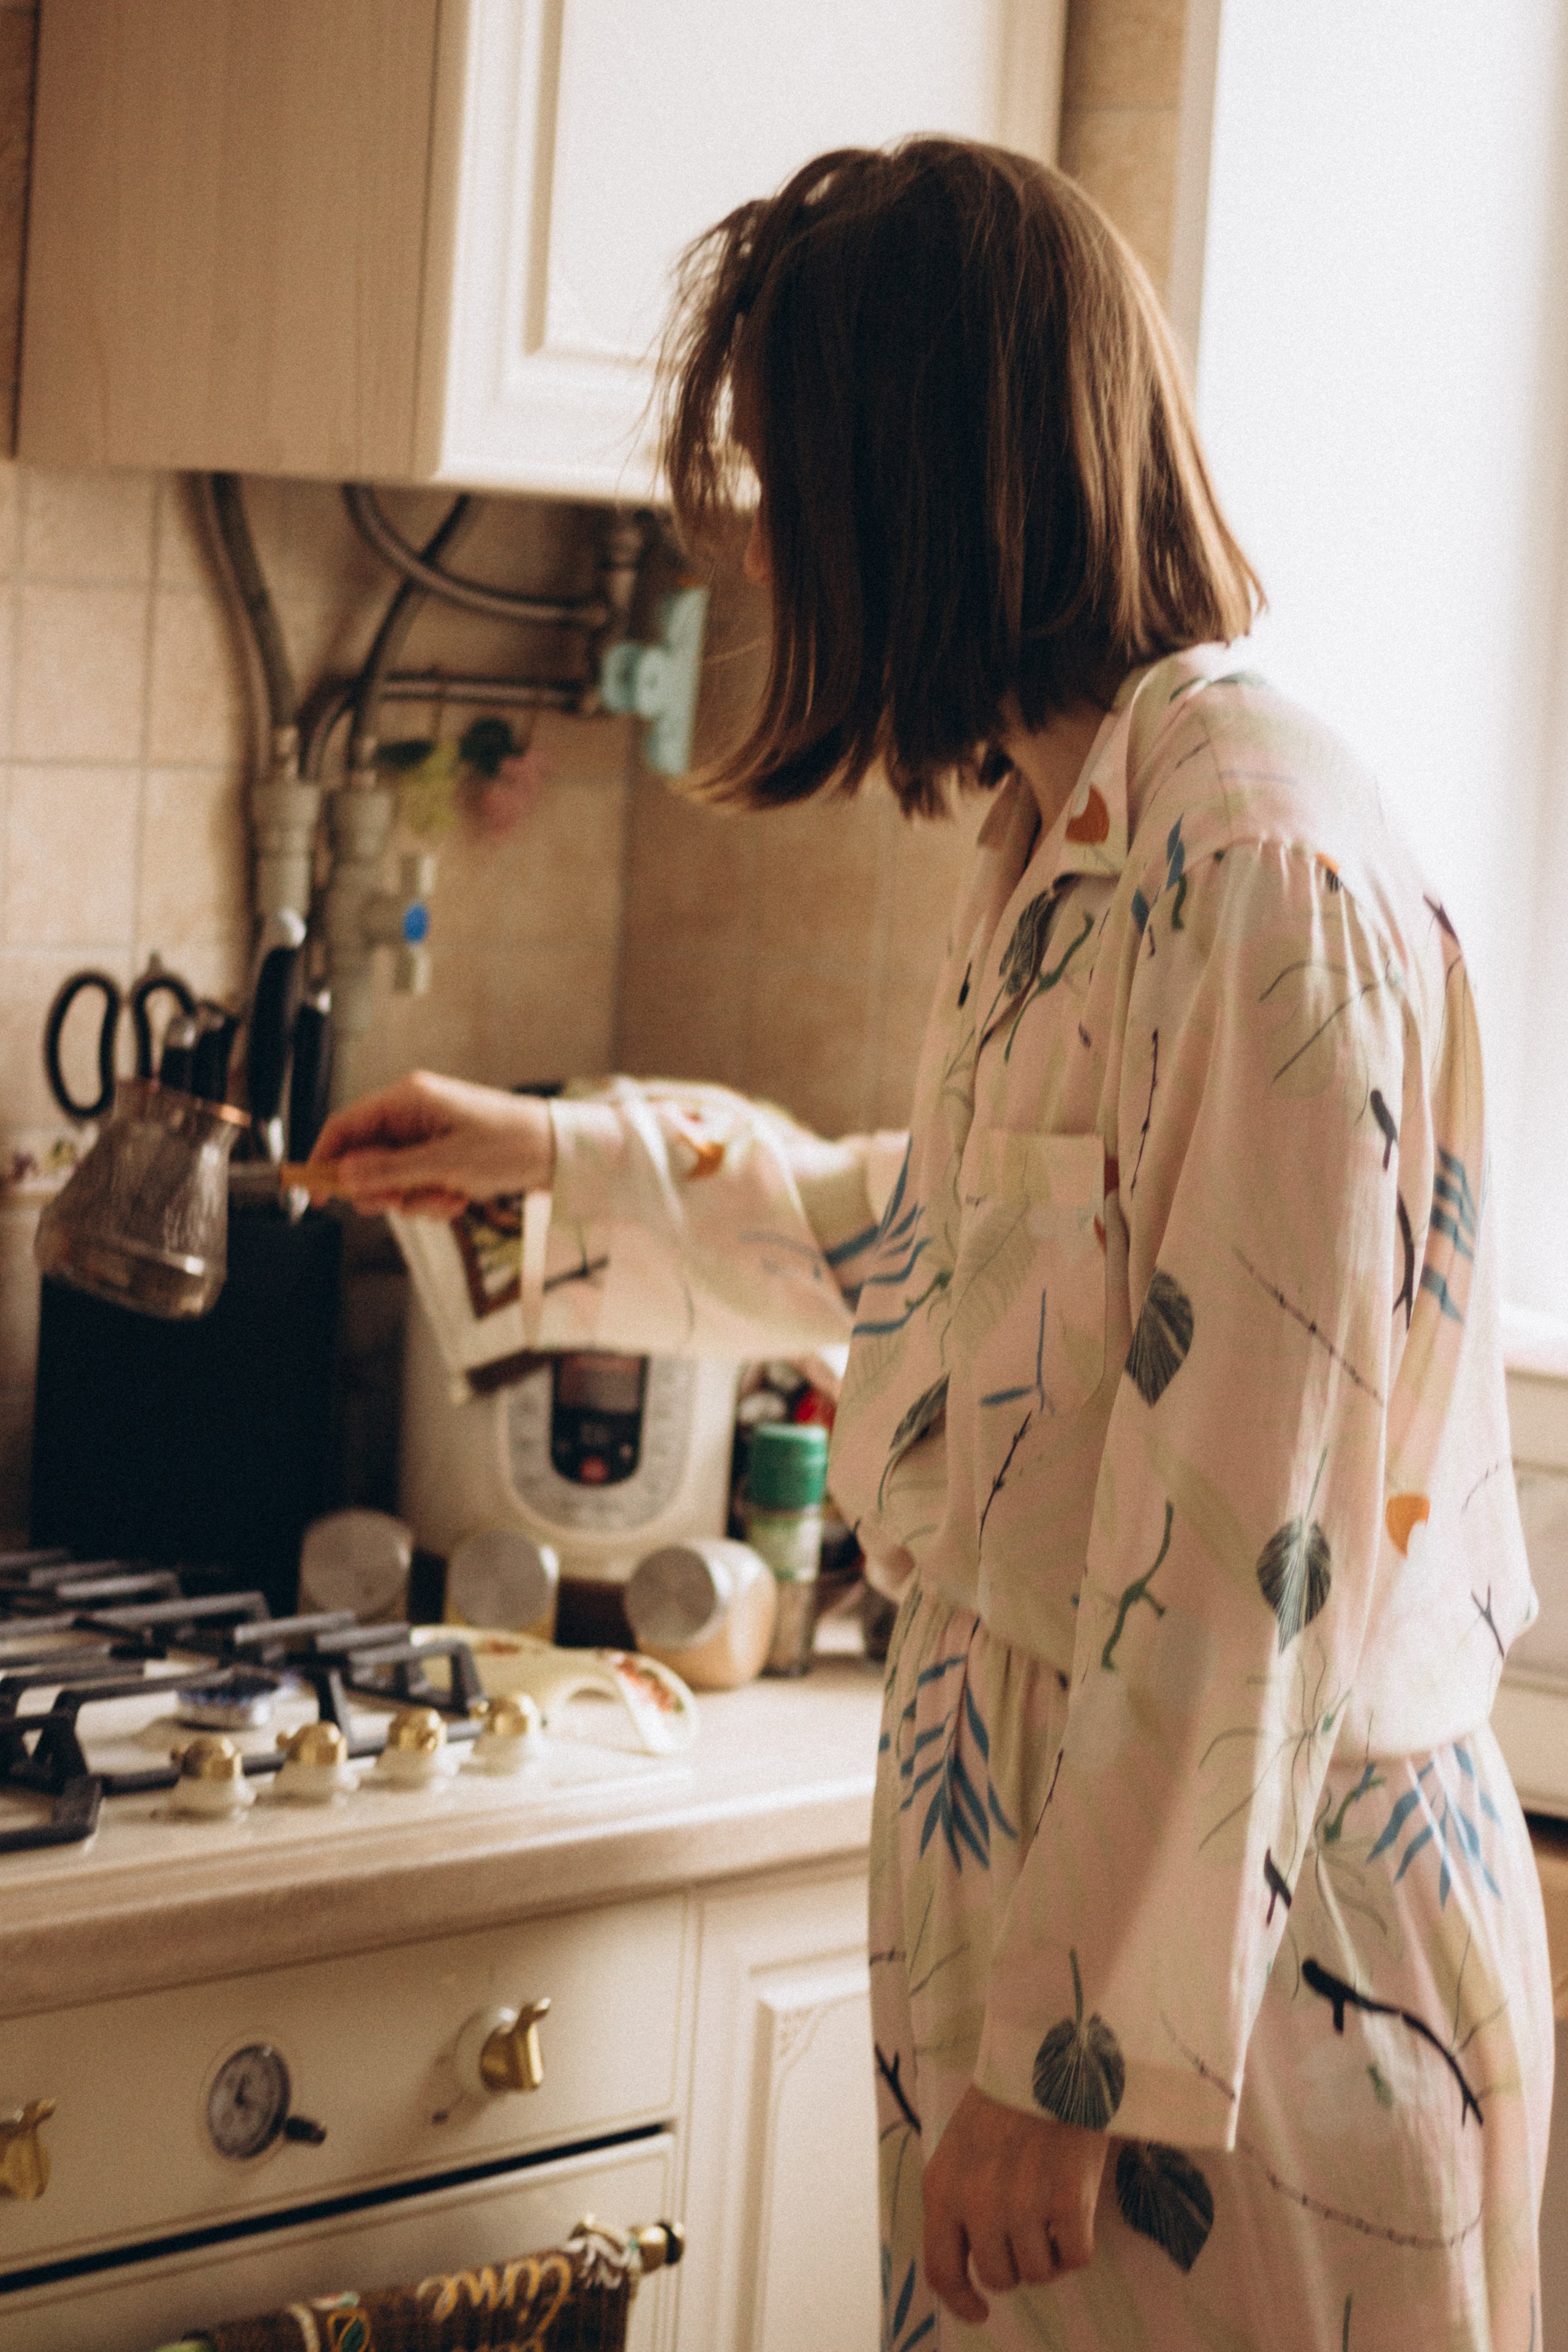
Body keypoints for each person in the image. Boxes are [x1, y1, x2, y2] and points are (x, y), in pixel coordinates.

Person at [313, 141, 1551, 2349]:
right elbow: (953, 1253)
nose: (779, 549)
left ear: (919, 484)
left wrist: (1073, 2057)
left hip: (1239, 1999)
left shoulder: (1255, 864)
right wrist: (556, 1156)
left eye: (793, 483)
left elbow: (1246, 1523)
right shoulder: (1075, 832)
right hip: (1079, 1938)